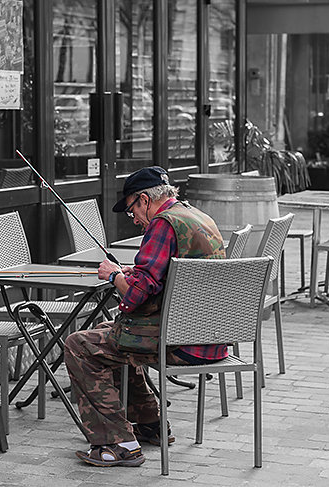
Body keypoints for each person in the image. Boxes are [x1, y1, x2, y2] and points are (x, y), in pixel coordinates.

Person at [63, 166, 226, 467]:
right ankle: (150, 424)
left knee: (78, 344)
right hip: (210, 340)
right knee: (109, 332)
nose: (135, 220)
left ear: (144, 200)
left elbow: (135, 296)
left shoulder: (163, 225)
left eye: (132, 211)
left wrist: (114, 276)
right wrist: (133, 276)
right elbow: (162, 280)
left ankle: (117, 443)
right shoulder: (197, 216)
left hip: (180, 344)